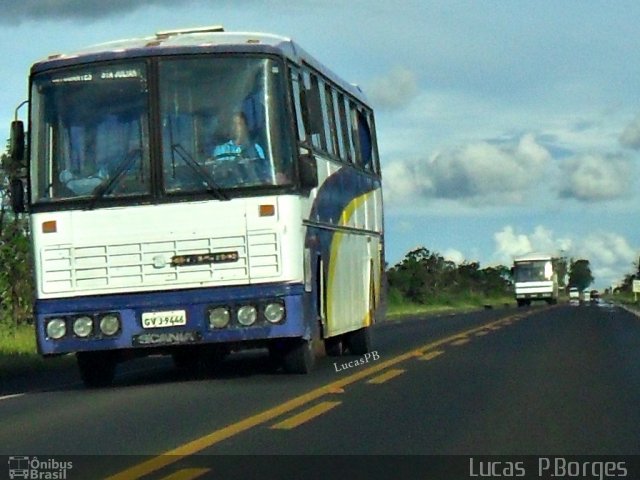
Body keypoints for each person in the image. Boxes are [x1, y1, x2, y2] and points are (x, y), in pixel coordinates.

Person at [212, 112, 269, 184]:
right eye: (234, 124)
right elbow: (218, 174)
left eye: (239, 124)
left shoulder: (256, 149)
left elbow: (264, 173)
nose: (237, 128)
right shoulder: (220, 150)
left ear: (246, 127)